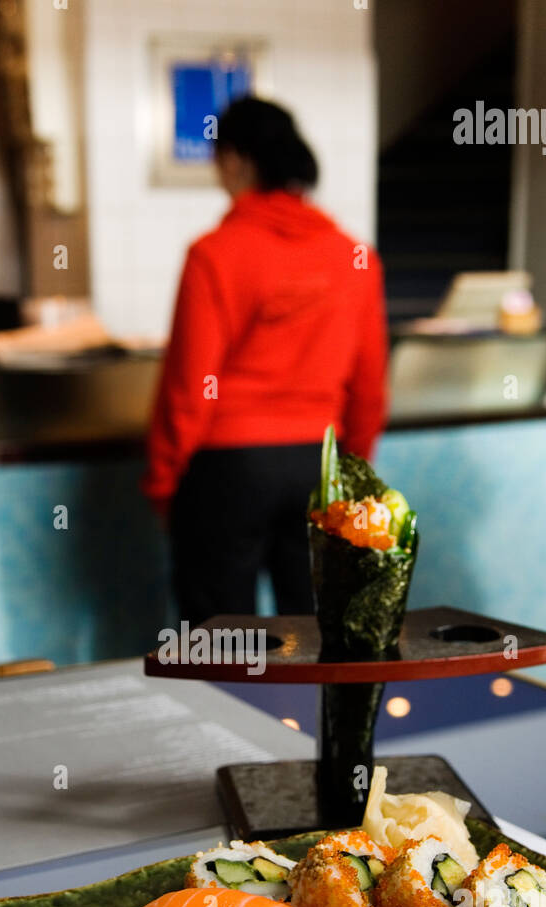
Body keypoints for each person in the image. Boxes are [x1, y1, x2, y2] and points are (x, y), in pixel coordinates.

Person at [143, 96, 388, 627]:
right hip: (318, 464)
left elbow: (193, 385)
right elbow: (369, 386)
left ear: (234, 160)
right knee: (316, 630)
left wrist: (164, 479)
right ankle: (300, 715)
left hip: (228, 469)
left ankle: (224, 712)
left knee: (223, 639)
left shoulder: (215, 254)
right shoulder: (356, 257)